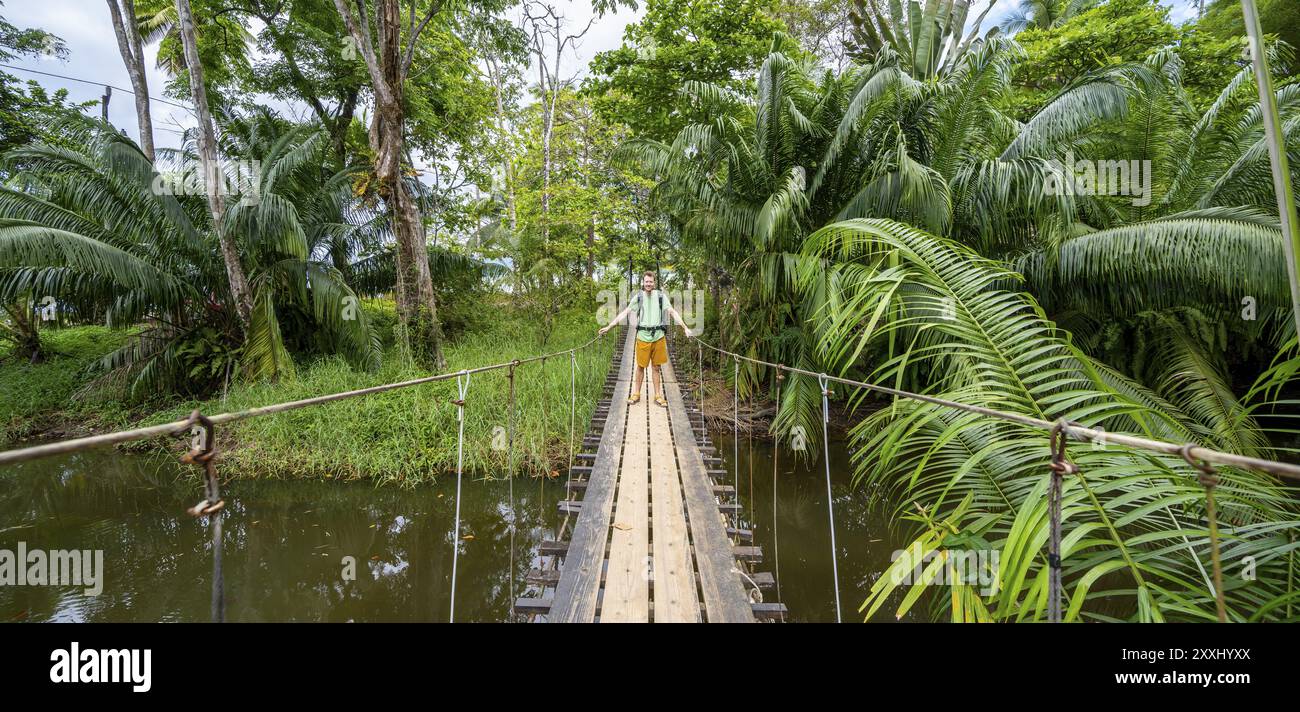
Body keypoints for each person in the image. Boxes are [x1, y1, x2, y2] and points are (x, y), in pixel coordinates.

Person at [598, 271, 693, 406]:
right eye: (646, 282)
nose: (648, 284)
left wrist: (685, 327)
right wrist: (609, 326)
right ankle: (636, 393)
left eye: (651, 281)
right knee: (641, 367)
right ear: (643, 282)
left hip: (658, 337)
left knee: (656, 367)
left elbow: (672, 312)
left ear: (654, 282)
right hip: (642, 337)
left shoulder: (661, 296)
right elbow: (625, 313)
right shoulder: (638, 297)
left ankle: (658, 395)